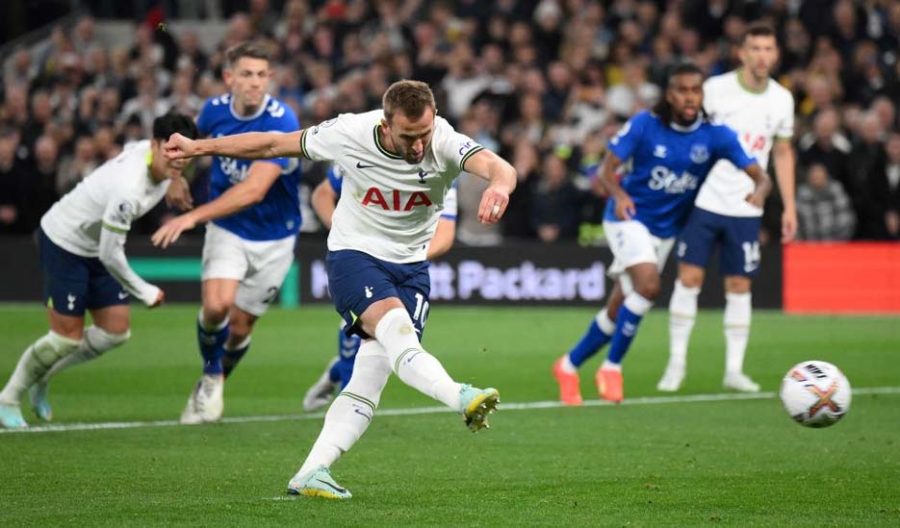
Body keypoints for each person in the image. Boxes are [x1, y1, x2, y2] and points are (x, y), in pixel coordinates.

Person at [162, 79, 516, 499]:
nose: (419, 146)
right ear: (386, 125)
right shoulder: (349, 133)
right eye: (409, 137)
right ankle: (462, 397)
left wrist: (499, 186)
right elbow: (272, 145)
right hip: (356, 257)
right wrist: (198, 147)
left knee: (369, 380)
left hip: (412, 270)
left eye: (424, 134)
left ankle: (312, 472)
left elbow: (501, 167)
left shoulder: (443, 140)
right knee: (398, 335)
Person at [553, 63, 771, 405]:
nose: (689, 97)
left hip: (666, 231)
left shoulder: (716, 135)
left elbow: (761, 176)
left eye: (695, 91)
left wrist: (759, 191)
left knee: (619, 305)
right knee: (650, 287)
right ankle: (612, 367)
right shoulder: (645, 125)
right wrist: (621, 195)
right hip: (628, 219)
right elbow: (606, 171)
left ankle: (568, 366)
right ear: (670, 96)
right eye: (682, 90)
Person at [0, 113, 198, 429]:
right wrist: (143, 290)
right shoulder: (128, 189)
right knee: (66, 339)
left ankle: (43, 376)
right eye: (171, 152)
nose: (178, 160)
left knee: (115, 332)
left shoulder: (152, 156)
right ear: (155, 145)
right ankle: (8, 398)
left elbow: (145, 149)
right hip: (64, 240)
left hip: (94, 247)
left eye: (185, 154)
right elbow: (110, 252)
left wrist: (176, 177)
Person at [150, 42, 303, 425]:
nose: (255, 83)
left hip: (275, 236)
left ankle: (214, 375)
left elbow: (253, 190)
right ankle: (211, 377)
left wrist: (191, 217)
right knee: (217, 307)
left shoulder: (282, 121)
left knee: (239, 327)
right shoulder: (213, 112)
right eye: (247, 74)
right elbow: (187, 150)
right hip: (228, 229)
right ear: (228, 77)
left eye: (262, 75)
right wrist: (174, 178)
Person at [658, 24, 797, 393]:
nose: (763, 55)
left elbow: (782, 152)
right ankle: (676, 364)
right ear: (742, 53)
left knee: (739, 285)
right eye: (756, 47)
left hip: (747, 208)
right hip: (703, 201)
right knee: (689, 280)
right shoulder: (716, 90)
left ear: (776, 53)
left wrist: (789, 206)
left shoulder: (782, 99)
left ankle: (734, 370)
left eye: (769, 47)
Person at [302, 165, 458, 412]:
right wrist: (345, 239)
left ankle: (337, 373)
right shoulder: (361, 151)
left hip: (406, 267)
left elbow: (445, 234)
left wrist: (407, 256)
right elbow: (322, 195)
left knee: (399, 345)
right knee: (368, 347)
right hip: (360, 259)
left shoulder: (440, 169)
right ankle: (345, 396)